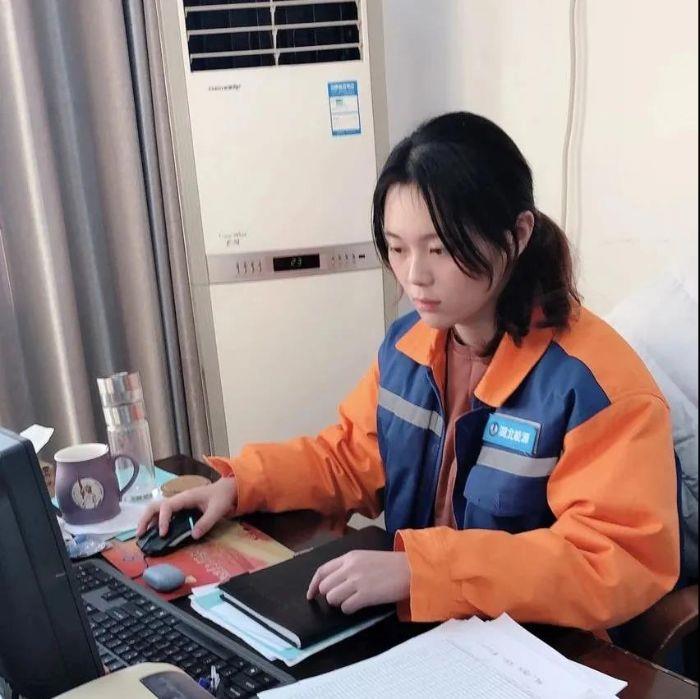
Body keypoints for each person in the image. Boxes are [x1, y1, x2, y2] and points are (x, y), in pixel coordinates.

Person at [138, 112, 680, 631]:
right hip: (421, 624)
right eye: (397, 248)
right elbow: (349, 458)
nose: (415, 275)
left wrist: (425, 571)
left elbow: (611, 561)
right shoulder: (410, 346)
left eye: (439, 249)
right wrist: (239, 486)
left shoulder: (599, 386)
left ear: (517, 235)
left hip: (542, 649)